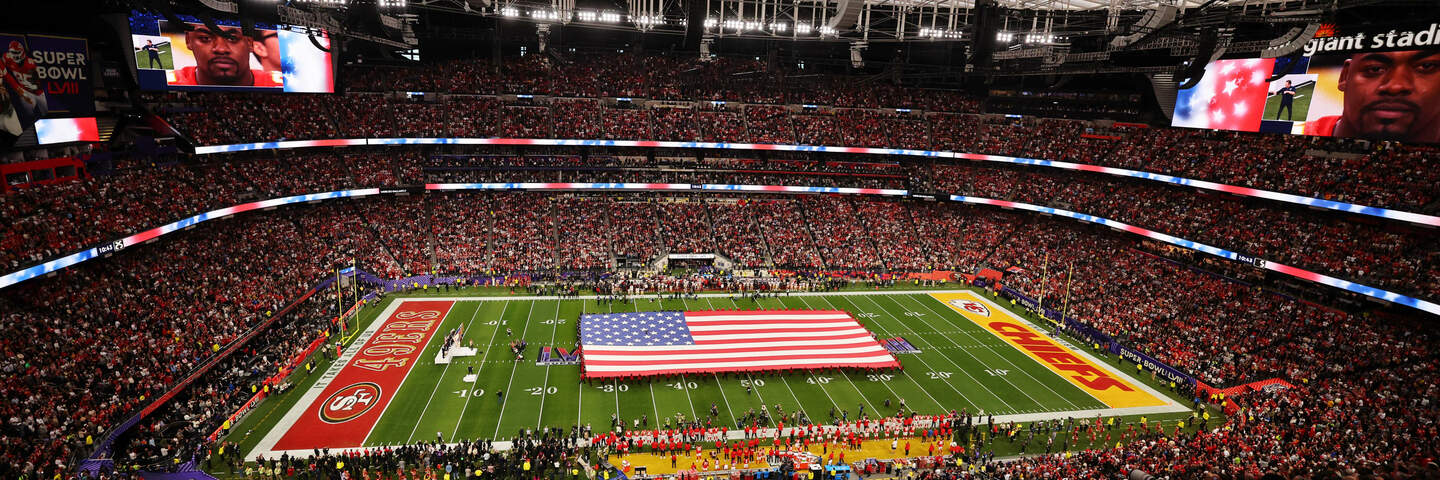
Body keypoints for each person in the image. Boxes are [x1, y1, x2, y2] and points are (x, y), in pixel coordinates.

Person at [1305, 48, 1440, 142]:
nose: (1395, 86)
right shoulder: (1301, 132)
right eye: (1375, 69)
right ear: (1345, 76)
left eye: (1426, 66)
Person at [169, 24, 282, 87]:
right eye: (205, 38)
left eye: (232, 38)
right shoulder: (169, 82)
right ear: (188, 40)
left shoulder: (281, 84)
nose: (221, 49)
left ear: (250, 42)